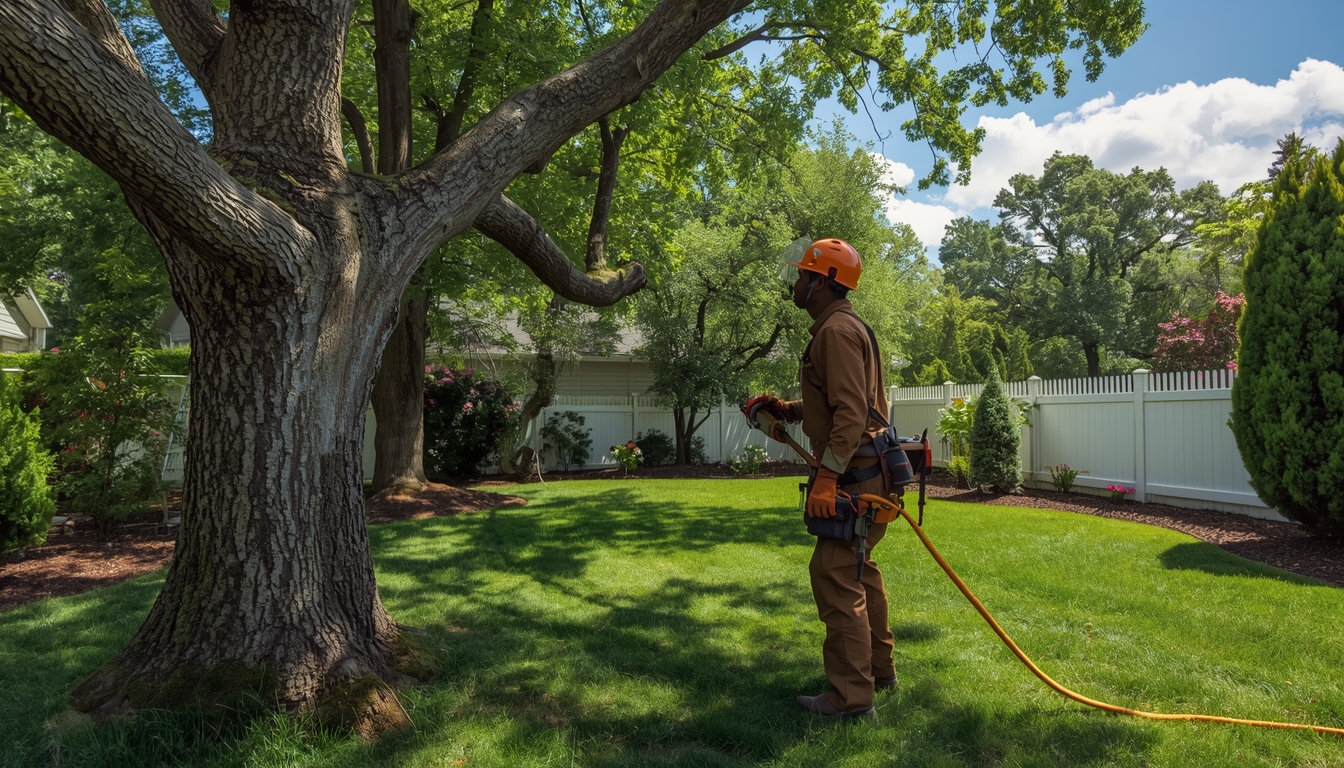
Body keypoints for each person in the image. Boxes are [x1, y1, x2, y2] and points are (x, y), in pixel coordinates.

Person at [746, 238, 897, 720]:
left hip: (855, 477)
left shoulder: (834, 332)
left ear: (821, 283)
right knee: (858, 569)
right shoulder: (848, 327)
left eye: (802, 275)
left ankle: (851, 699)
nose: (796, 282)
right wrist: (786, 411)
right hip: (873, 471)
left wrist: (828, 478)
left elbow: (851, 413)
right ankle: (878, 670)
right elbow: (844, 403)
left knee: (834, 575)